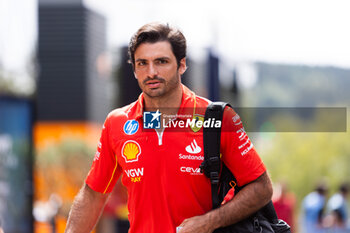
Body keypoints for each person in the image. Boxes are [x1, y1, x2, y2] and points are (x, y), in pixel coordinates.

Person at [65, 22, 272, 233]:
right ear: (134, 69)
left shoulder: (218, 119)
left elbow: (262, 188)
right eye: (142, 63)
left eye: (161, 61)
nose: (151, 72)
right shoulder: (117, 123)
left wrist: (209, 222)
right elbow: (93, 194)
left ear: (182, 65)